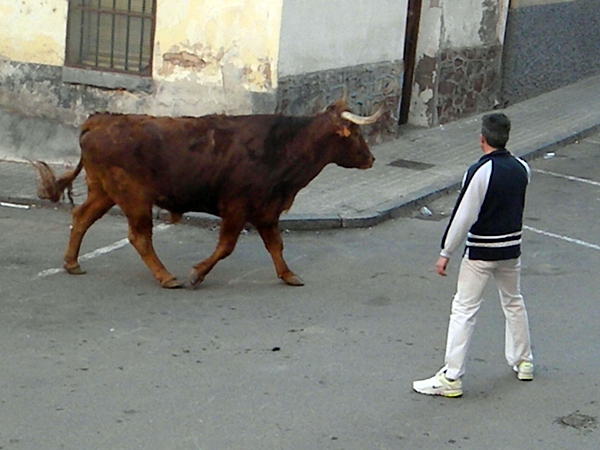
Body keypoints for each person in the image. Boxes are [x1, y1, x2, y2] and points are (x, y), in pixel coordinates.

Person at [413, 113, 534, 398]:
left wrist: (446, 252)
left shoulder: (479, 171)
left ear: (482, 139)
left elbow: (464, 215)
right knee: (513, 301)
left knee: (464, 310)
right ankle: (524, 360)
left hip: (481, 251)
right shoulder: (522, 168)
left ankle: (452, 376)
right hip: (511, 249)